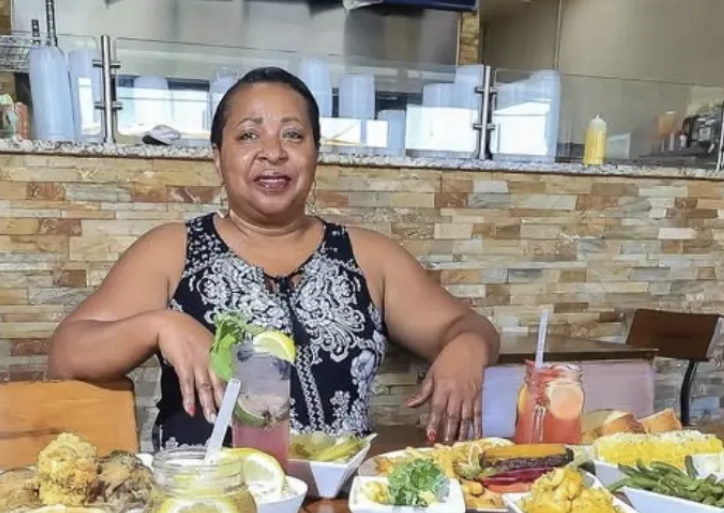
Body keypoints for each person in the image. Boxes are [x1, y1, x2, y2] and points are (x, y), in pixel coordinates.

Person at [46, 67, 499, 448]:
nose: (273, 152)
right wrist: (158, 325)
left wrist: (467, 349)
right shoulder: (171, 249)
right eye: (248, 135)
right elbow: (68, 353)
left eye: (293, 135)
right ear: (217, 157)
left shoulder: (369, 256)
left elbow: (469, 327)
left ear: (315, 154)